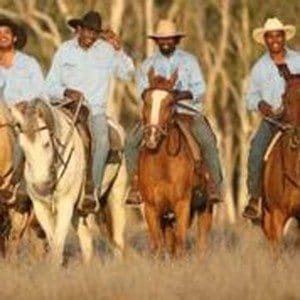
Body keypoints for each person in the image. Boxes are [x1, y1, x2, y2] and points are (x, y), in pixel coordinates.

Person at [126, 19, 223, 205]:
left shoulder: (189, 61)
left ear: (176, 40)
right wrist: (158, 96)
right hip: (157, 114)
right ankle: (135, 185)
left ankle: (213, 184)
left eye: (169, 39)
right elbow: (142, 92)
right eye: (161, 39)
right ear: (156, 41)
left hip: (187, 111)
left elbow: (200, 88)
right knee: (130, 142)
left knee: (207, 140)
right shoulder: (148, 65)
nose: (165, 42)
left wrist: (180, 95)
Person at [46, 11, 134, 212]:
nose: (90, 37)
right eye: (87, 31)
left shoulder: (106, 51)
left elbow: (127, 74)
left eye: (95, 33)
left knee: (102, 141)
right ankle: (40, 186)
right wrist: (65, 91)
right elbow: (48, 85)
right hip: (65, 106)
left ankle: (90, 190)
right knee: (39, 136)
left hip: (94, 109)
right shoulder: (65, 50)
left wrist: (119, 50)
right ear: (79, 29)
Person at [243, 18, 300, 220]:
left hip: (299, 118)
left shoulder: (298, 60)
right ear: (265, 40)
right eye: (270, 36)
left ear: (284, 37)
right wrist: (261, 105)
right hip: (274, 121)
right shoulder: (259, 68)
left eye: (278, 35)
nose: (275, 39)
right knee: (257, 148)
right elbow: (250, 97)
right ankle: (255, 199)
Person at [0, 17, 45, 192]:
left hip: (27, 115)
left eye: (6, 33)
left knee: (24, 140)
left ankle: (19, 184)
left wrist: (27, 103)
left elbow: (42, 94)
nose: (2, 36)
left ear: (15, 38)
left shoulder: (29, 64)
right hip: (3, 117)